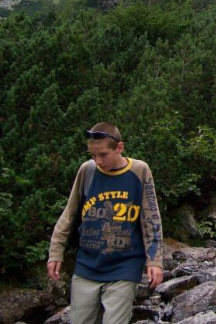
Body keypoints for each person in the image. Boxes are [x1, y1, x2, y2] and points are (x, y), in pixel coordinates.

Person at [47, 122, 164, 324]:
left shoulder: (139, 170)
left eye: (103, 155)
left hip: (125, 266)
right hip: (87, 264)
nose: (98, 161)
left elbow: (151, 218)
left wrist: (154, 261)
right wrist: (55, 252)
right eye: (93, 155)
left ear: (119, 147)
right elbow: (69, 214)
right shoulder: (88, 171)